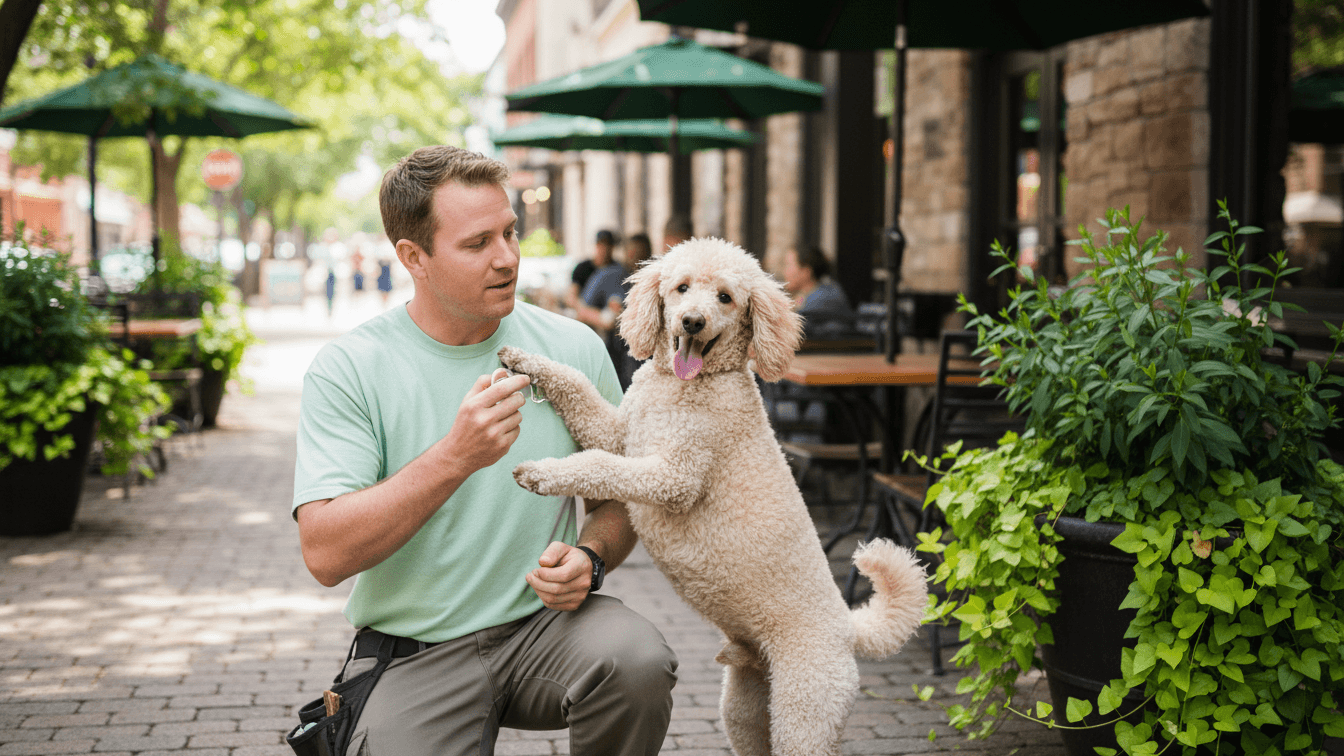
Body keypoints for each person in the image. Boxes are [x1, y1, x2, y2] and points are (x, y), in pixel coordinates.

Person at [292, 146, 677, 755]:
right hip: (416, 649)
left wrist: (591, 557)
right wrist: (455, 456)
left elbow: (620, 501)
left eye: (510, 233)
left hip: (547, 629)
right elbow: (325, 553)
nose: (507, 258)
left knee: (636, 661)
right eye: (477, 244)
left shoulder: (571, 348)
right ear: (413, 257)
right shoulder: (351, 368)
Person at [782, 245, 855, 338]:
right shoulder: (805, 295)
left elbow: (793, 325)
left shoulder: (826, 295)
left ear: (806, 272)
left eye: (788, 265)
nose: (784, 271)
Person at [566, 229, 615, 312]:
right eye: (601, 244)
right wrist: (584, 310)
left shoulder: (616, 269)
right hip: (584, 310)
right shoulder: (582, 267)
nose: (604, 248)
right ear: (596, 245)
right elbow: (571, 296)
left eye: (607, 245)